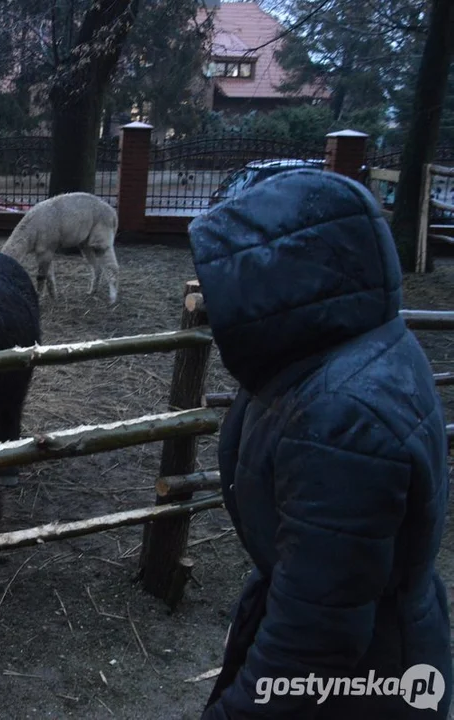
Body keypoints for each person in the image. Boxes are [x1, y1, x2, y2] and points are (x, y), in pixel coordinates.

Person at [191, 168, 451, 718]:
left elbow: (312, 642)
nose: (213, 304)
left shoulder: (344, 417)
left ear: (290, 274)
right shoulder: (345, 350)